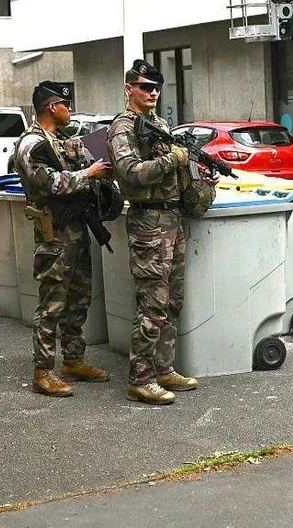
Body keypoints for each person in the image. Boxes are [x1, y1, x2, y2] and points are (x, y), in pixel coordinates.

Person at [107, 59, 218, 405]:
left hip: (172, 221)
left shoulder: (157, 124)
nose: (152, 92)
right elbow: (130, 173)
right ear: (129, 89)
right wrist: (174, 159)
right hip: (148, 224)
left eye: (157, 87)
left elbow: (174, 170)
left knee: (172, 303)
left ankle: (163, 368)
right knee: (152, 304)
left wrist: (196, 179)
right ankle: (140, 379)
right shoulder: (123, 128)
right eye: (144, 86)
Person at [13, 81, 113, 397]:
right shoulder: (31, 145)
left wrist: (102, 171)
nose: (69, 111)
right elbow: (48, 183)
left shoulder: (62, 141)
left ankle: (73, 360)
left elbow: (88, 164)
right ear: (51, 107)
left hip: (76, 232)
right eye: (65, 106)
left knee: (79, 299)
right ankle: (43, 371)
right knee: (51, 304)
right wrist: (88, 174)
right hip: (54, 235)